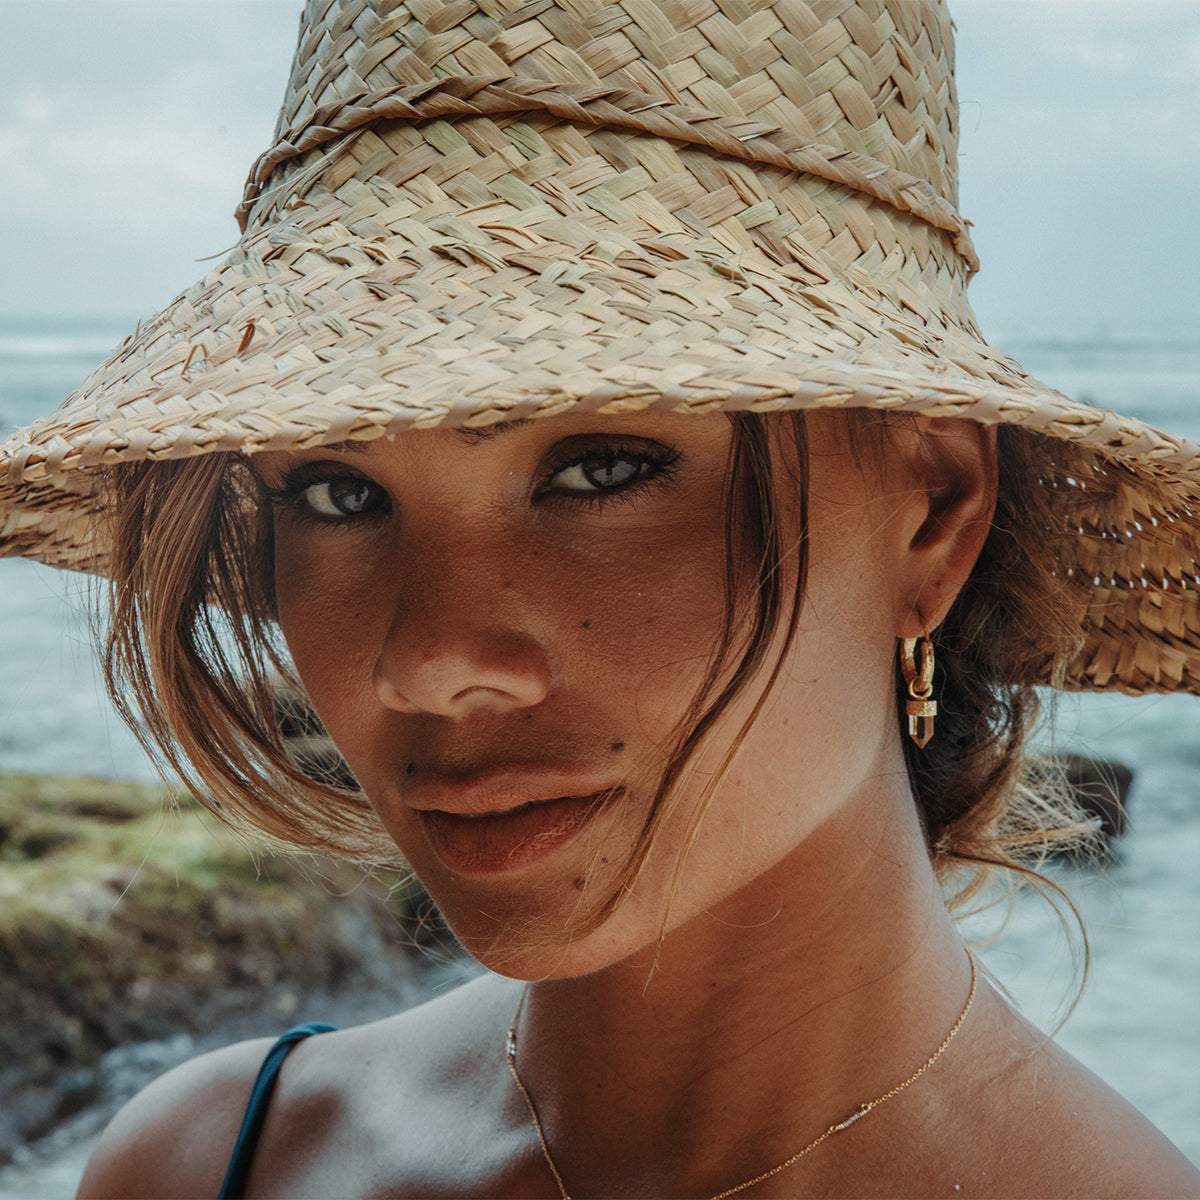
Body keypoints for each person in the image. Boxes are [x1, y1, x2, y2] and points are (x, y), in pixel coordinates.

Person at [2, 0, 1198, 1195]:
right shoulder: (205, 1165)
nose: (431, 662)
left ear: (932, 512)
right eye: (337, 492)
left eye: (602, 469)